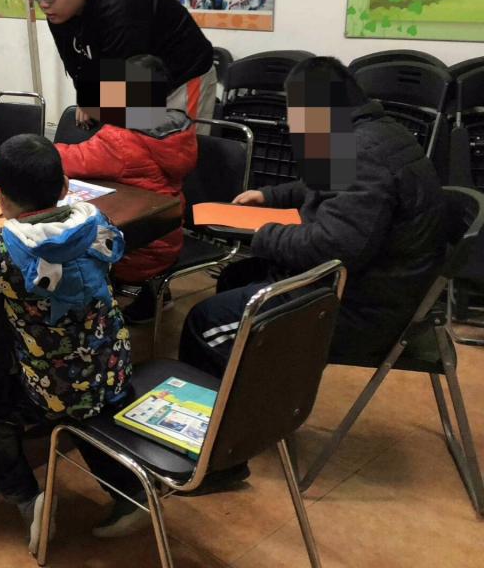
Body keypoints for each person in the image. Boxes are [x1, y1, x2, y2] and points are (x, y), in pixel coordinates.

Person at [0, 134, 148, 549]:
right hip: (114, 364)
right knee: (89, 412)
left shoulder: (6, 253)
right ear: (65, 186)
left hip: (57, 386)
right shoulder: (96, 222)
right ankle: (130, 495)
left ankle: (29, 502)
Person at [181, 57, 447, 378]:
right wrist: (270, 196)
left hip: (358, 310)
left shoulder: (361, 152)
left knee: (204, 323)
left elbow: (333, 247)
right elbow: (325, 182)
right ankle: (260, 385)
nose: (292, 124)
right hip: (375, 288)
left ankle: (241, 405)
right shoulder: (374, 132)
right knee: (235, 277)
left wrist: (261, 232)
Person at [55, 55, 197, 321]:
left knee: (59, 245)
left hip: (134, 246)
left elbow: (70, 159)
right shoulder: (178, 128)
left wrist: (35, 151)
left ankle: (107, 305)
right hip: (165, 235)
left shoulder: (122, 140)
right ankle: (154, 292)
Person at [24, 0, 216, 130]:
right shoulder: (59, 13)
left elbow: (131, 85)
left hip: (183, 75)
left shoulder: (119, 4)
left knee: (176, 143)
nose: (43, 4)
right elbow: (76, 65)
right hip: (137, 80)